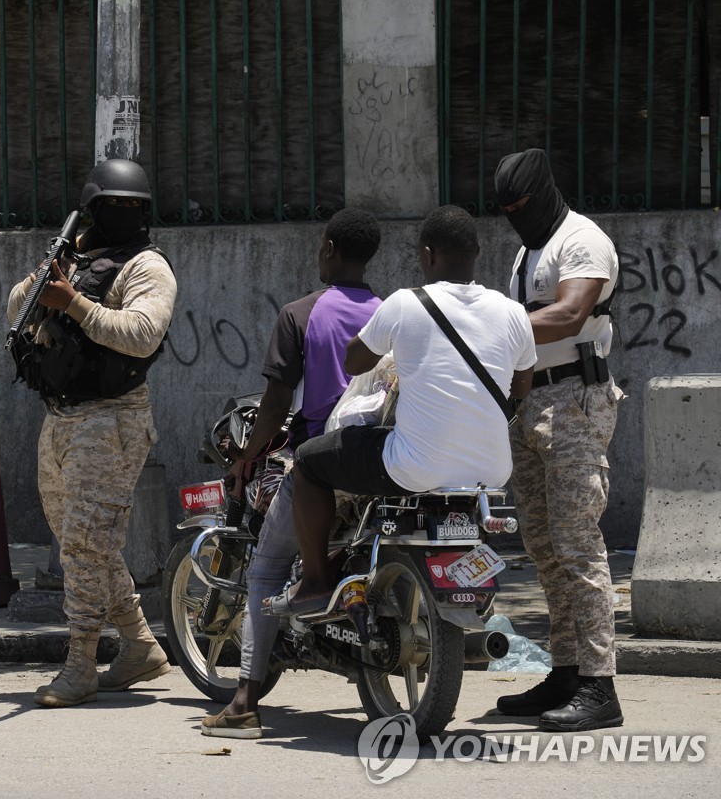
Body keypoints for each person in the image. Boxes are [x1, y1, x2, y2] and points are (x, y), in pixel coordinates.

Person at [272, 204, 536, 617]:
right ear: (478, 252)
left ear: (427, 254)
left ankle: (315, 582)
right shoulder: (514, 313)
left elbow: (354, 363)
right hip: (490, 474)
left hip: (414, 467)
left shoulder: (405, 303)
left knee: (308, 462)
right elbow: (521, 386)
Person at [200, 208, 384, 739]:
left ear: (328, 248)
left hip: (320, 463)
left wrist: (247, 457)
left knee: (266, 566)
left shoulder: (301, 314)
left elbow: (278, 401)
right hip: (379, 459)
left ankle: (243, 703)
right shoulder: (388, 313)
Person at [7, 159, 178, 707]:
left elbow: (144, 334)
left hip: (113, 420)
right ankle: (140, 645)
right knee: (85, 543)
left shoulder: (147, 267)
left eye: (134, 206)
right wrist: (47, 277)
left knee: (86, 542)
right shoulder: (75, 257)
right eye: (115, 205)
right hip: (61, 417)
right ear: (93, 206)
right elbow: (17, 310)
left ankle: (80, 662)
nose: (125, 214)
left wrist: (75, 304)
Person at [493, 148, 625, 731]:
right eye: (507, 209)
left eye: (523, 205)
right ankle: (567, 671)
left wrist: (488, 325)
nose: (516, 216)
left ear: (544, 192)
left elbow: (570, 315)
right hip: (531, 404)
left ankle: (601, 685)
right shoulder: (527, 251)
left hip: (576, 401)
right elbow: (524, 341)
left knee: (578, 545)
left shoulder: (582, 240)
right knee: (545, 550)